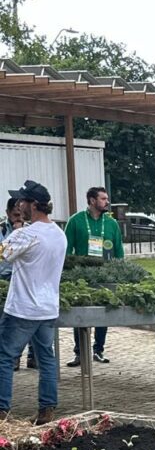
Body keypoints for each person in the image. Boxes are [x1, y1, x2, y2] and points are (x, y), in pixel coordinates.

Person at [0, 181, 67, 424]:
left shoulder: (25, 234)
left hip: (22, 308)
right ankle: (47, 411)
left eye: (23, 201)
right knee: (46, 359)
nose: (19, 205)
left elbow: (2, 255)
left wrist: (14, 228)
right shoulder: (59, 234)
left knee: (4, 357)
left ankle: (1, 413)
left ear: (34, 205)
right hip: (48, 308)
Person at [64, 186, 124, 366]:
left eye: (107, 198)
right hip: (81, 276)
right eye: (103, 199)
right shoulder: (76, 221)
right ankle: (80, 352)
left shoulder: (112, 224)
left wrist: (119, 272)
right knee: (80, 312)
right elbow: (66, 250)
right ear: (91, 200)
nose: (107, 202)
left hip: (105, 276)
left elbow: (119, 251)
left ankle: (98, 350)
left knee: (102, 312)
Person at [0, 198, 35, 371]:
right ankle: (13, 357)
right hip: (3, 278)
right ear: (7, 214)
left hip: (24, 280)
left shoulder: (29, 230)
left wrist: (21, 232)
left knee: (28, 321)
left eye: (21, 215)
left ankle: (32, 357)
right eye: (15, 215)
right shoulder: (1, 229)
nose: (18, 218)